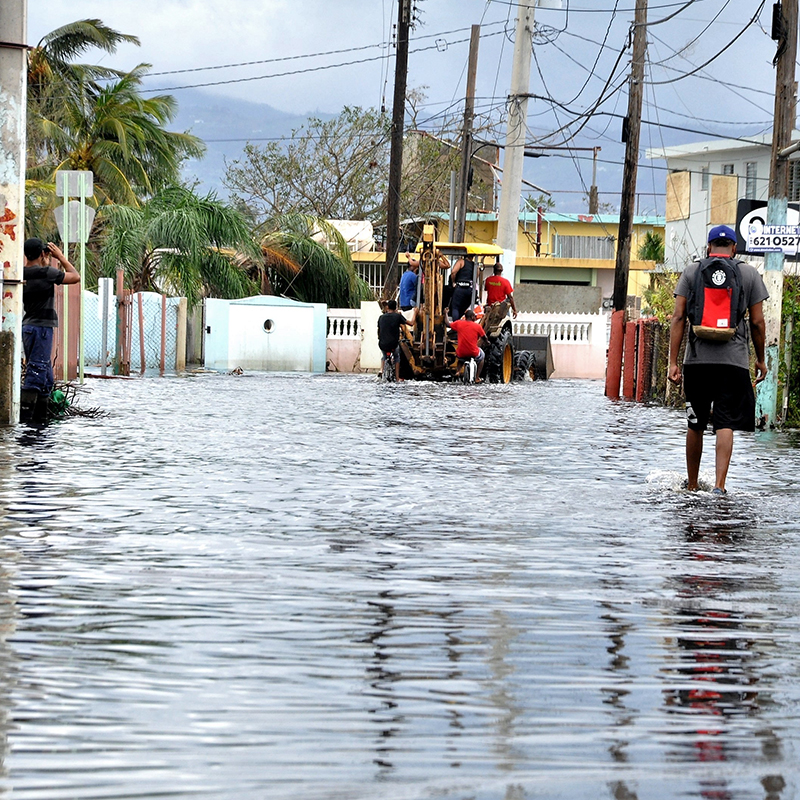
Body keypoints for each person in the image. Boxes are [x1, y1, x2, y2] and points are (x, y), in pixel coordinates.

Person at [668, 225, 768, 494]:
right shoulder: (748, 273)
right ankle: (719, 487)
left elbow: (678, 317)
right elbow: (757, 322)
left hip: (697, 362)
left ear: (709, 247)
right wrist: (760, 359)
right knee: (725, 423)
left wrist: (673, 362)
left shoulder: (692, 271)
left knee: (696, 423)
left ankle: (691, 485)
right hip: (733, 363)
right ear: (734, 248)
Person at [22, 238, 80, 401]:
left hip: (27, 327)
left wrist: (44, 260)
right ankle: (30, 419)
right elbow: (75, 277)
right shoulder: (47, 273)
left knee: (46, 375)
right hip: (42, 328)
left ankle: (42, 416)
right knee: (38, 370)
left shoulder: (21, 273)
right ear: (42, 253)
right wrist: (60, 257)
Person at [446, 308, 486, 383]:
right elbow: (484, 337)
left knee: (460, 359)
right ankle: (477, 378)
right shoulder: (477, 326)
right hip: (473, 352)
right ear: (471, 317)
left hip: (461, 352)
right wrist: (487, 342)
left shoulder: (459, 323)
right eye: (474, 316)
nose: (475, 318)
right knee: (482, 355)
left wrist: (445, 314)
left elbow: (447, 324)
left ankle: (458, 372)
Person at [377, 299, 411, 381]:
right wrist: (415, 312)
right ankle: (397, 377)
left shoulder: (381, 317)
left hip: (382, 343)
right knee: (397, 357)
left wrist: (380, 338)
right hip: (393, 344)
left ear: (387, 307)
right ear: (396, 308)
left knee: (384, 356)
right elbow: (411, 323)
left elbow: (378, 331)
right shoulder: (397, 316)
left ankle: (381, 369)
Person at [449, 255, 475, 320]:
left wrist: (453, 282)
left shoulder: (461, 262)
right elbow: (476, 275)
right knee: (464, 307)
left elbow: (453, 272)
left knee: (455, 307)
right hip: (469, 288)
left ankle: (456, 324)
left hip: (460, 287)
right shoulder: (475, 265)